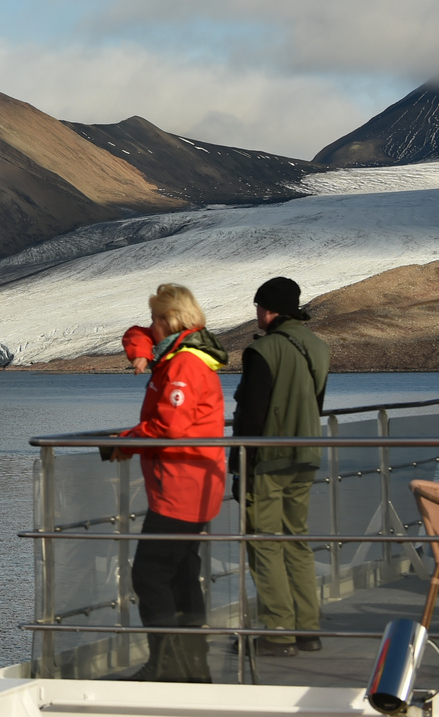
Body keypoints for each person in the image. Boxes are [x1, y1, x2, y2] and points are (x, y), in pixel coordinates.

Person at [109, 283, 228, 682]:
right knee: (180, 574)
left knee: (151, 575)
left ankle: (168, 666)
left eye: (157, 319)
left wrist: (126, 443)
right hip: (187, 486)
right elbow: (136, 333)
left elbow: (170, 426)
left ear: (170, 321)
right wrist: (141, 352)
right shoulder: (179, 352)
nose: (151, 326)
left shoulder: (184, 366)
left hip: (182, 489)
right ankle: (192, 665)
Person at [231, 276, 331, 657]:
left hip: (269, 460)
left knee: (264, 542)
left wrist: (240, 465)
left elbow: (251, 415)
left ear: (269, 309)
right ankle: (308, 629)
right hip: (306, 454)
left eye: (258, 306)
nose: (256, 313)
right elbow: (315, 403)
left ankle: (277, 632)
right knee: (297, 540)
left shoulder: (263, 352)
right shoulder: (318, 348)